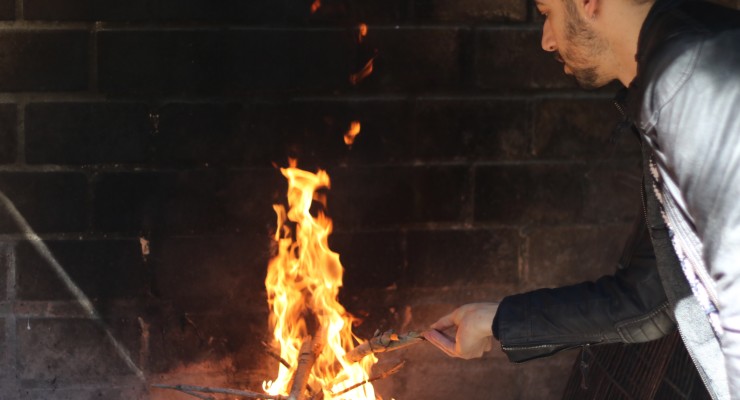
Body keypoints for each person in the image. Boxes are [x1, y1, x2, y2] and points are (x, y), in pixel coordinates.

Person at [423, 0, 740, 398]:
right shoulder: (673, 78)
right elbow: (647, 300)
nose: (547, 41)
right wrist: (497, 320)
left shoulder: (693, 81)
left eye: (545, 12)